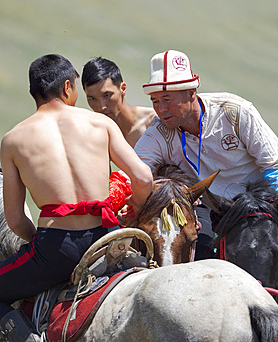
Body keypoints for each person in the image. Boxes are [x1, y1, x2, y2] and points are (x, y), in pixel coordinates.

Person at [0, 54, 153, 340]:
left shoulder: (13, 140)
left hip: (58, 250)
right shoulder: (100, 124)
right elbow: (143, 178)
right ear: (68, 87)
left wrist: (39, 242)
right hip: (109, 238)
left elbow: (16, 220)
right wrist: (135, 209)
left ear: (34, 92)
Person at [133, 49, 278, 260]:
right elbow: (135, 171)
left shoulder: (234, 112)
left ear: (191, 93)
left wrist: (266, 210)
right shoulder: (159, 133)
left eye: (167, 99)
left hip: (255, 207)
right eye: (155, 101)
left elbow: (274, 166)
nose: (161, 109)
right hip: (210, 209)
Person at [81, 57, 156, 147]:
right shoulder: (97, 134)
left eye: (107, 95)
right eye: (92, 99)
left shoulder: (153, 122)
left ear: (123, 89)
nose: (101, 107)